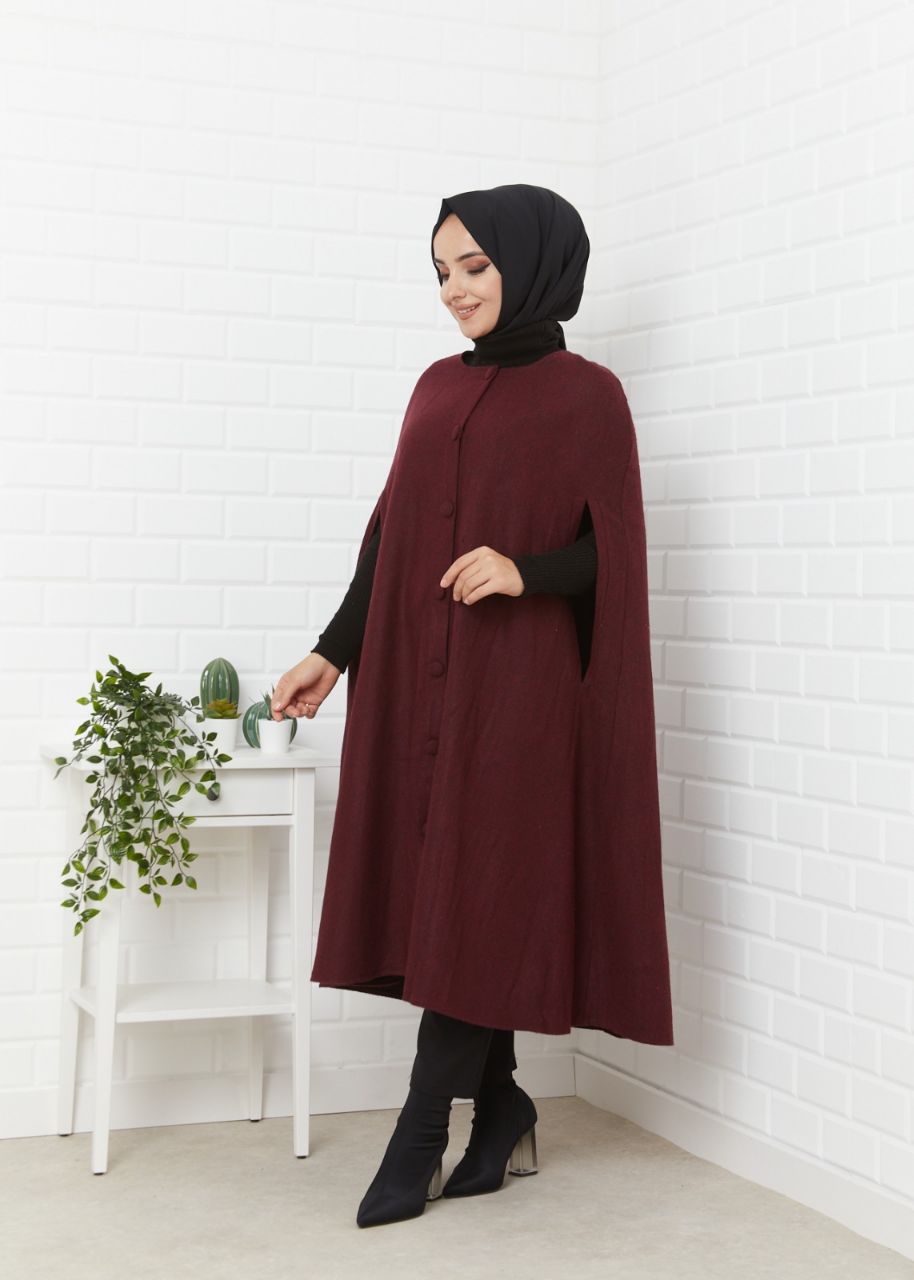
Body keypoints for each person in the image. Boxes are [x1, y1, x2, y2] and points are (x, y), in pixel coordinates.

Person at [270, 184, 674, 1229]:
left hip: (519, 695)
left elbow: (614, 556)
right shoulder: (433, 389)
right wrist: (331, 651)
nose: (454, 290)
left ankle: (419, 1133)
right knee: (447, 894)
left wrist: (524, 569)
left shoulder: (588, 396)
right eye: (442, 272)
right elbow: (390, 538)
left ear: (531, 265)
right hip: (416, 681)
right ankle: (501, 1108)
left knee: (478, 890)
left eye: (475, 267)